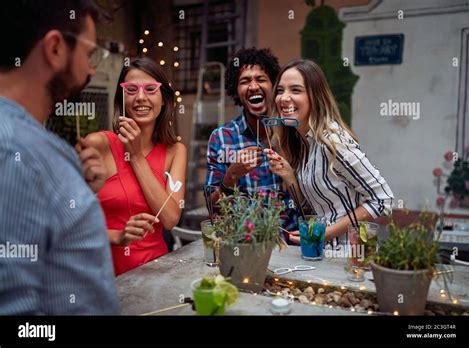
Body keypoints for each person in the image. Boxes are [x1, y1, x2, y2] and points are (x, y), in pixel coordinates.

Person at [0, 0, 119, 314]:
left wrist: (75, 193)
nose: (91, 69)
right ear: (55, 48)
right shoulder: (16, 152)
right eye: (89, 54)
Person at [265, 59, 393, 245]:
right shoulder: (304, 143)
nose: (284, 98)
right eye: (280, 90)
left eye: (295, 90)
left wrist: (326, 233)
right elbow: (312, 208)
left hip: (349, 257)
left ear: (314, 96)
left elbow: (382, 199)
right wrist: (289, 175)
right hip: (322, 254)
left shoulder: (334, 142)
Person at [86, 57, 187, 276]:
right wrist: (116, 236)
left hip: (155, 276)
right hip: (103, 275)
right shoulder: (99, 144)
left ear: (164, 100)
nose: (141, 97)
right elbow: (67, 219)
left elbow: (170, 219)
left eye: (151, 89)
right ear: (121, 99)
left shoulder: (176, 151)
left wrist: (136, 156)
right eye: (131, 89)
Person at [205, 47, 298, 234]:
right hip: (246, 246)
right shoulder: (222, 138)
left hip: (293, 249)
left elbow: (312, 202)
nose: (253, 86)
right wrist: (231, 176)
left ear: (274, 86)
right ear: (236, 90)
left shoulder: (294, 133)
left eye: (261, 79)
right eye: (245, 81)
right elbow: (212, 207)